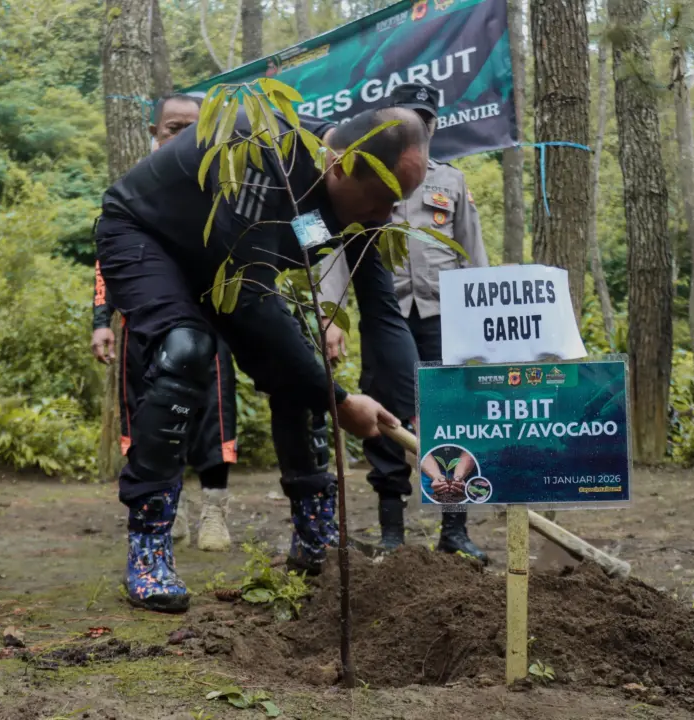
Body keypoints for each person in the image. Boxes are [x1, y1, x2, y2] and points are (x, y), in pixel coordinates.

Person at [96, 103, 428, 613]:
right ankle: (149, 545)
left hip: (226, 265)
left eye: (396, 202)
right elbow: (251, 299)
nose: (385, 215)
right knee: (187, 351)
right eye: (382, 199)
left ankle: (315, 542)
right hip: (145, 235)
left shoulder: (357, 202)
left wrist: (400, 405)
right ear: (340, 166)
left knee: (297, 366)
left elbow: (376, 307)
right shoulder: (261, 158)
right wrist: (339, 401)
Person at [319, 83, 491, 563]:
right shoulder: (366, 170)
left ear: (433, 125)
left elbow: (472, 252)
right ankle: (392, 532)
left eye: (425, 117)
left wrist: (481, 320)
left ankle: (454, 529)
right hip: (386, 314)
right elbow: (338, 249)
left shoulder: (450, 180)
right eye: (409, 114)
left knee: (451, 416)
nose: (420, 124)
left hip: (444, 317)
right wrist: (330, 313)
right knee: (385, 417)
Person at [91, 94, 237, 552]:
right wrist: (101, 319)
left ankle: (214, 509)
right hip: (147, 321)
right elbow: (107, 257)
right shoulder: (133, 184)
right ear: (155, 132)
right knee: (150, 412)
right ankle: (166, 506)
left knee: (214, 414)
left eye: (195, 128)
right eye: (175, 128)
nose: (185, 136)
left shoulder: (223, 182)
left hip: (210, 318)